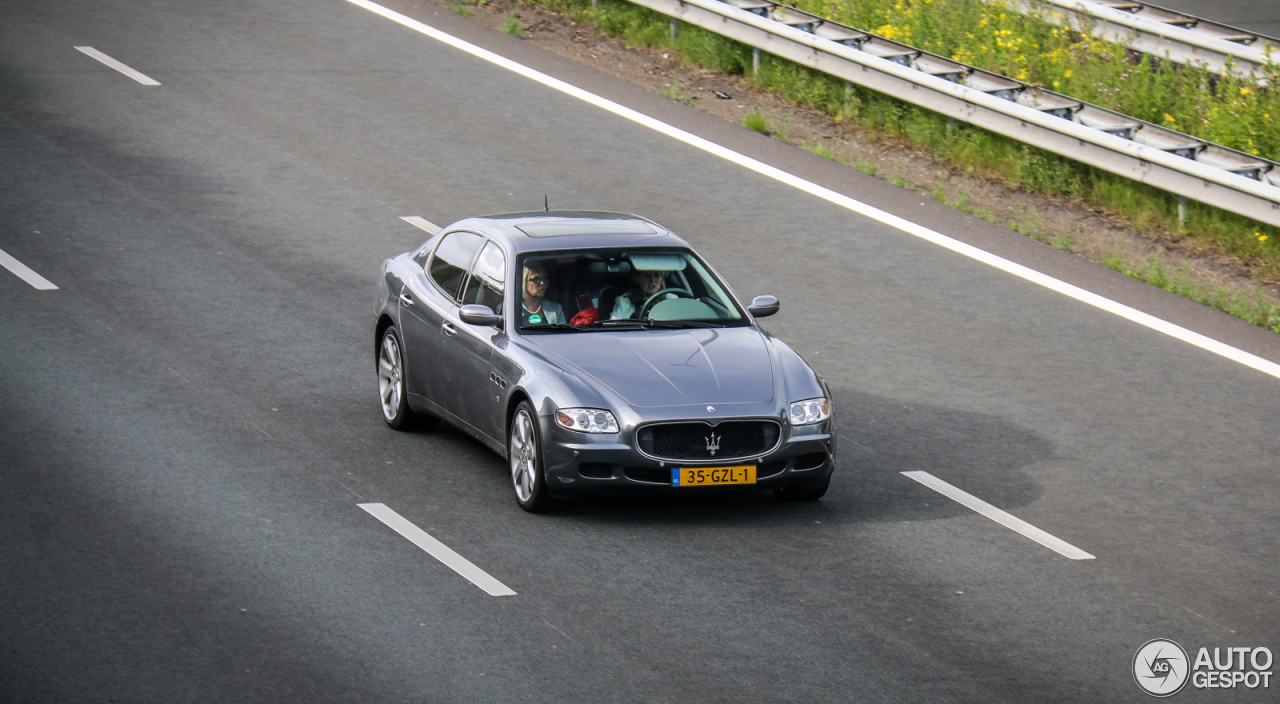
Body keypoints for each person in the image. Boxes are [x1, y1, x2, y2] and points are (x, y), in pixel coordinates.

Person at [520, 261, 565, 326]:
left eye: (545, 279)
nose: (542, 283)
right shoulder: (511, 309)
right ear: (524, 281)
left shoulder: (556, 308)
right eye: (536, 279)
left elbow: (562, 335)